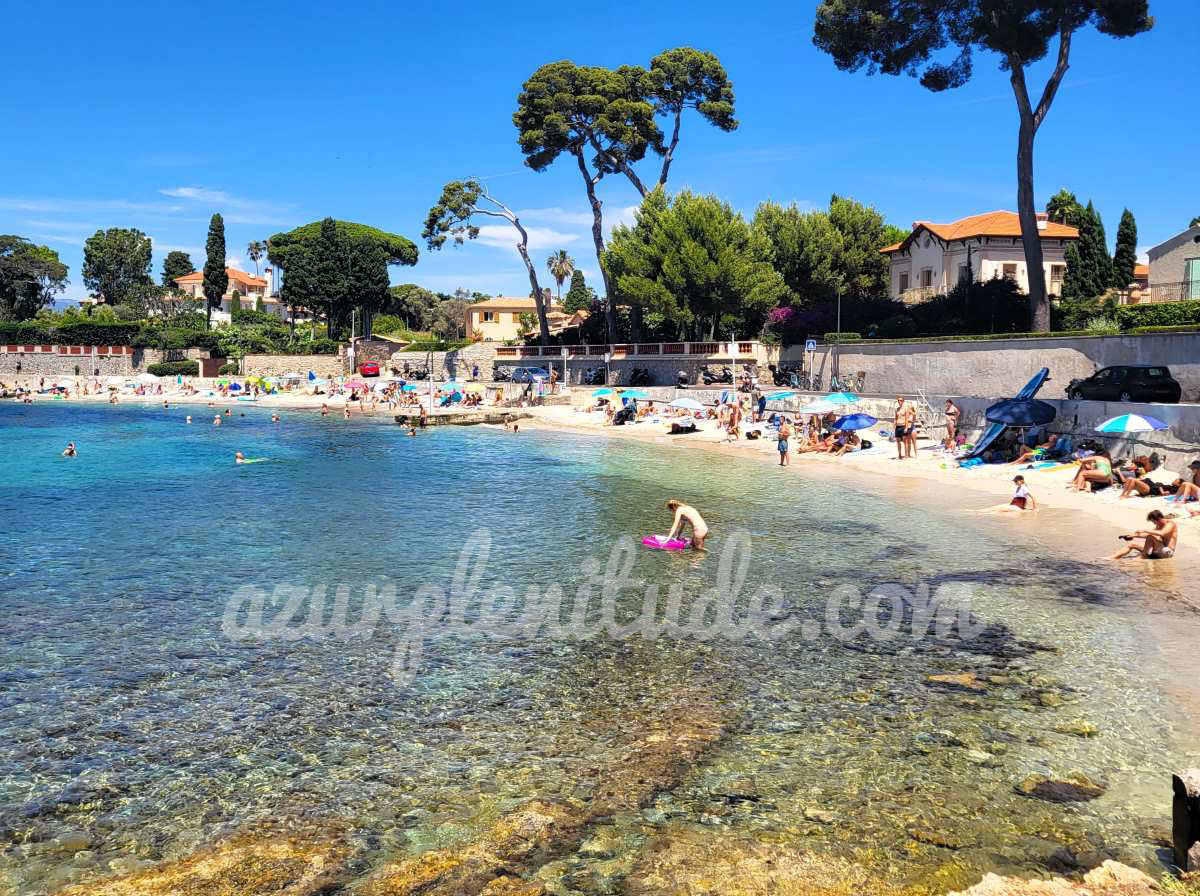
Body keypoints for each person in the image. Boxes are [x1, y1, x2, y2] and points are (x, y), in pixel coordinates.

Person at [1111, 509, 1178, 560]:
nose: (1154, 524)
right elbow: (1147, 534)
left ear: (1159, 519)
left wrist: (1145, 530)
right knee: (1131, 544)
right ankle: (1112, 558)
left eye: (1153, 521)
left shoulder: (1170, 524)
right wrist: (1133, 535)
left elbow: (1162, 533)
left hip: (1167, 552)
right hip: (1159, 550)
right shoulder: (1159, 526)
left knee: (1150, 537)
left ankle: (1142, 556)